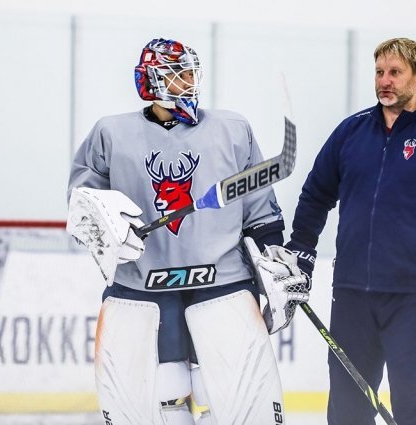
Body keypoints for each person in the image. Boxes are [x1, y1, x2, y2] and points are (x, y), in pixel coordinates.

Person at [66, 37, 305, 425]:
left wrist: (273, 253)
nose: (188, 82)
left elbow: (259, 205)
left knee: (230, 398)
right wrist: (105, 229)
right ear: (152, 82)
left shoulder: (232, 128)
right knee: (163, 395)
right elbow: (83, 203)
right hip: (141, 284)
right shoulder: (110, 134)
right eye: (177, 75)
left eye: (191, 73)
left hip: (223, 279)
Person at [285, 37, 416, 425]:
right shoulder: (351, 132)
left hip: (412, 296)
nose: (384, 81)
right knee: (347, 405)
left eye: (395, 72)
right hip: (353, 292)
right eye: (379, 72)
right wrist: (301, 250)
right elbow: (315, 195)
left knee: (414, 405)